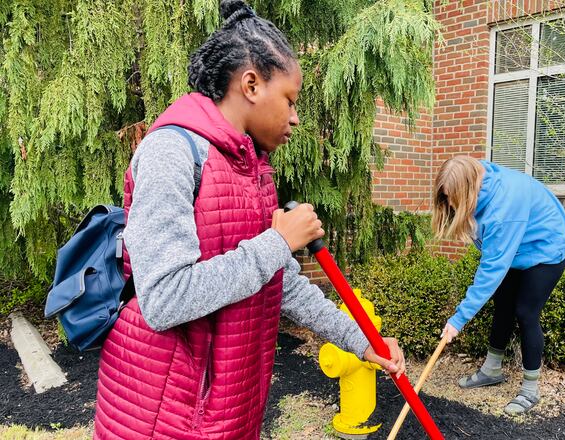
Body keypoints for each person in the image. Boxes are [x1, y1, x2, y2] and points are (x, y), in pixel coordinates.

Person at [93, 1, 404, 438]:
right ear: (252, 84)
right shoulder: (172, 152)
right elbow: (163, 299)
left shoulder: (251, 169)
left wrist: (363, 341)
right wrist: (278, 243)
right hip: (162, 416)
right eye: (290, 100)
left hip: (227, 409)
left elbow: (281, 282)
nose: (295, 117)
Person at [433, 155, 565, 415]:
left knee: (526, 312)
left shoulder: (503, 210)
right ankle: (492, 370)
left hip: (546, 247)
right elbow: (496, 256)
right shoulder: (479, 177)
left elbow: (492, 269)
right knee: (502, 305)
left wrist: (458, 320)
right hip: (516, 247)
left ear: (468, 188)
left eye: (453, 196)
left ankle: (530, 390)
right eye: (446, 196)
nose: (450, 203)